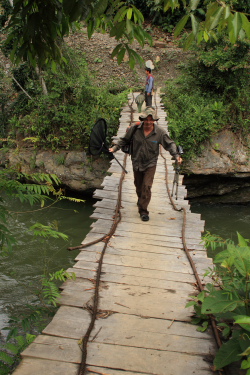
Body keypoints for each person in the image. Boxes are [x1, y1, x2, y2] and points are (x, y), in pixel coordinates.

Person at [109, 107, 182, 222]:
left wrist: (176, 156)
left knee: (146, 186)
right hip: (136, 161)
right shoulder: (134, 129)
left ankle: (143, 211)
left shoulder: (160, 133)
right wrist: (114, 148)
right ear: (142, 119)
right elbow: (124, 140)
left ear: (154, 121)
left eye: (151, 120)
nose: (148, 122)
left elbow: (170, 144)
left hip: (150, 163)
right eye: (146, 120)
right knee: (138, 185)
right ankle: (140, 200)